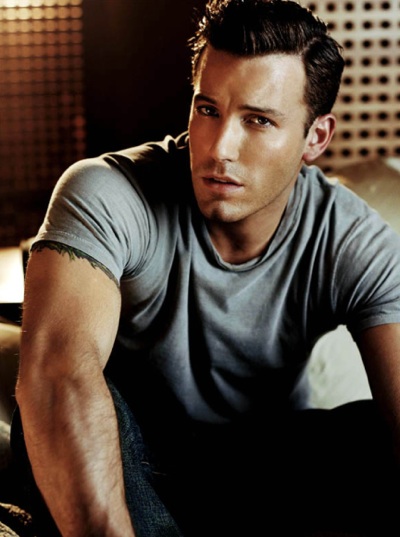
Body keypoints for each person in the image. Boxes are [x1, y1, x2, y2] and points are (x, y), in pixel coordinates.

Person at [9, 0, 400, 536]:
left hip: (272, 474)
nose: (219, 149)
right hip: (136, 468)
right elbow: (59, 374)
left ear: (316, 137)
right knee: (74, 408)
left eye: (258, 120)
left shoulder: (354, 240)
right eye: (208, 109)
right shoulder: (106, 192)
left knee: (368, 432)